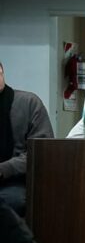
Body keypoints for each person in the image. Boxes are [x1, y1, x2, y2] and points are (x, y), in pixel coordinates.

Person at [0, 61, 54, 217]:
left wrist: (3, 169)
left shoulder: (28, 103)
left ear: (2, 71)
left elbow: (43, 153)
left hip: (14, 182)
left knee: (9, 201)